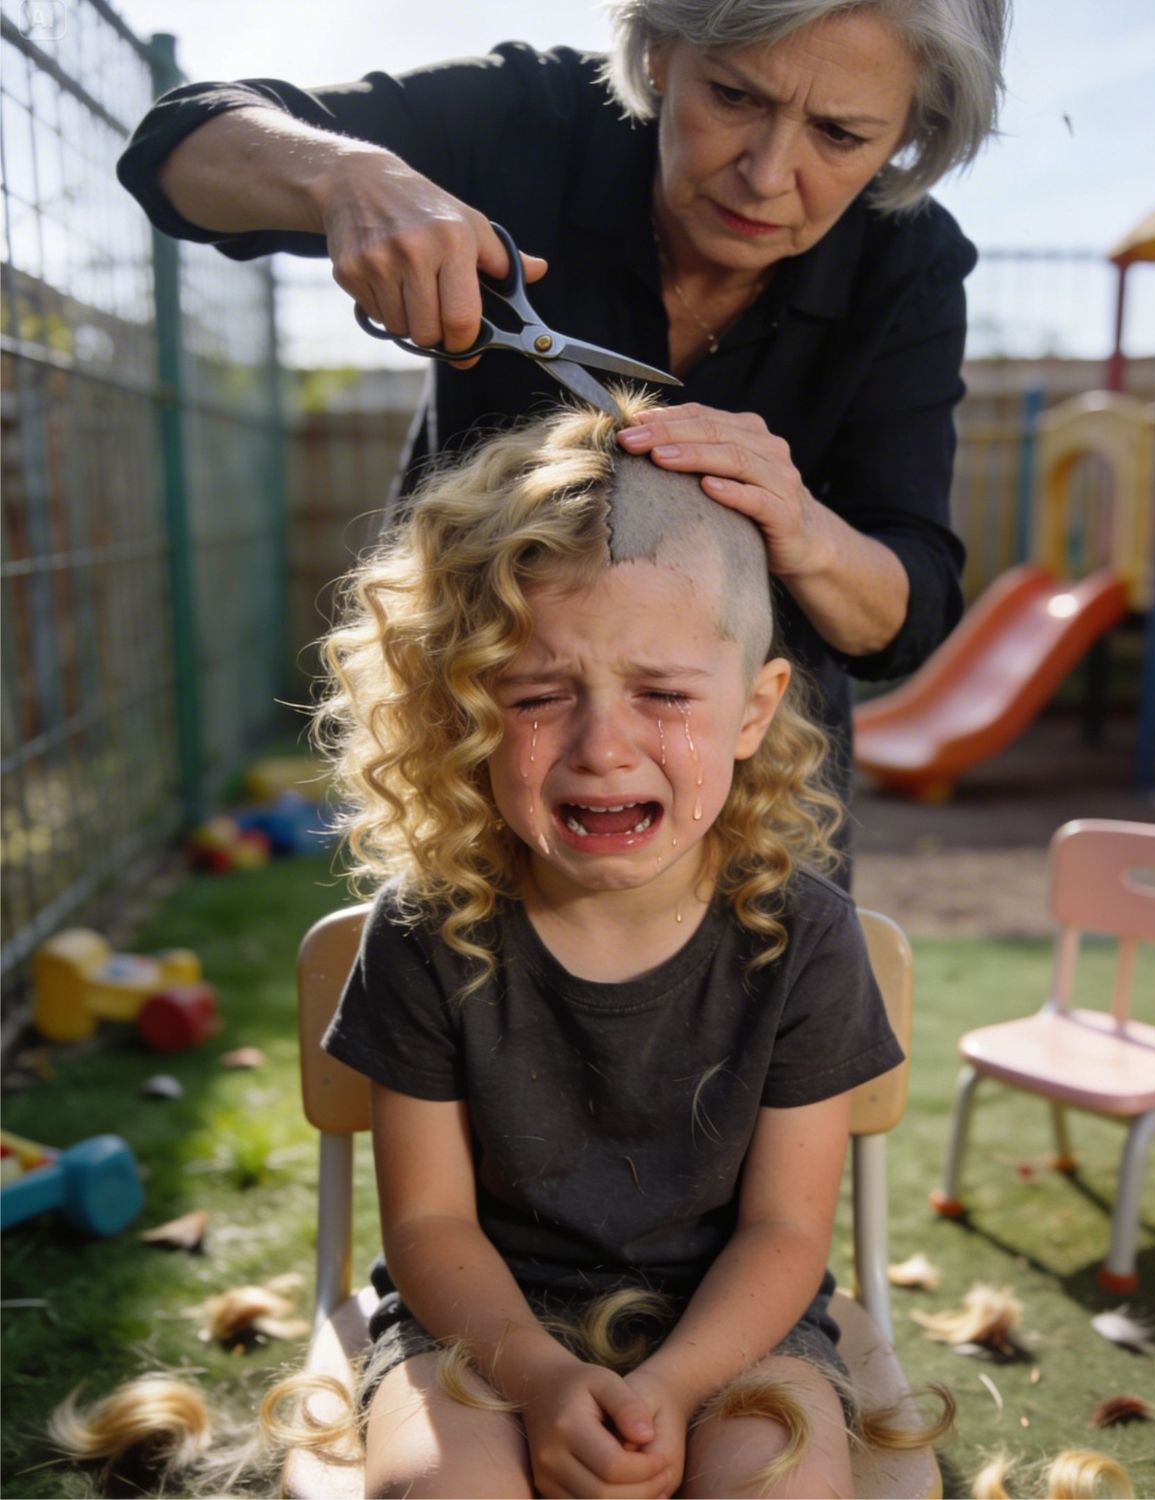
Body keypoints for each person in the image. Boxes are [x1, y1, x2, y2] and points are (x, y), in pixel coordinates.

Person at [116, 0, 1010, 850]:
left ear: (911, 136)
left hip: (747, 801)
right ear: (660, 47)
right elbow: (174, 150)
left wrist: (803, 526)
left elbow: (907, 615)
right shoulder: (527, 118)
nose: (769, 174)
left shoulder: (911, 265)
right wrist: (349, 177)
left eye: (840, 135)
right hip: (474, 750)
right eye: (735, 97)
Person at [311, 392, 919, 1498]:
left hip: (735, 1335)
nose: (603, 747)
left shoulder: (805, 938)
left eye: (663, 693)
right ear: (466, 709)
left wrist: (679, 1388)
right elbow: (431, 1223)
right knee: (437, 1490)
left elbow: (785, 1233)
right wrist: (541, 1380)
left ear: (753, 707)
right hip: (479, 1332)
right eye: (539, 694)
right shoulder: (426, 926)